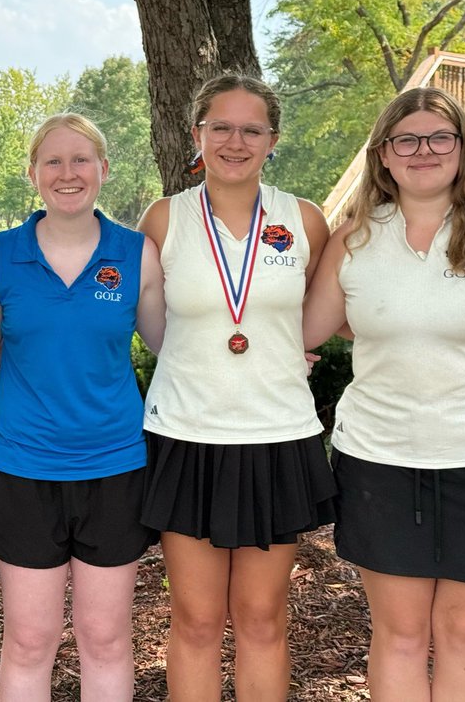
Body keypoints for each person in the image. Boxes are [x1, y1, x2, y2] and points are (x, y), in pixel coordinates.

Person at [302, 86, 465, 701]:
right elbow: (305, 331)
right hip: (379, 462)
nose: (424, 151)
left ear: (462, 150)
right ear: (384, 156)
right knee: (397, 634)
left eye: (439, 138)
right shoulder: (356, 238)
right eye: (407, 140)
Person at [137, 73, 336, 701]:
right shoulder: (165, 219)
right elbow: (151, 328)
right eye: (220, 126)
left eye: (252, 129)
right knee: (194, 621)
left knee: (262, 619)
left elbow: (326, 313)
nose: (234, 141)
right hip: (186, 435)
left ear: (272, 139)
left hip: (277, 437)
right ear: (197, 134)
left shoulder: (302, 218)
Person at [0, 112, 166, 701]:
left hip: (114, 468)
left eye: (81, 159)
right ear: (33, 174)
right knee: (29, 641)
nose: (68, 172)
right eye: (53, 161)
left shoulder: (137, 254)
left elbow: (175, 350)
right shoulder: (0, 255)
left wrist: (277, 348)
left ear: (103, 170)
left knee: (104, 638)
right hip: (24, 469)